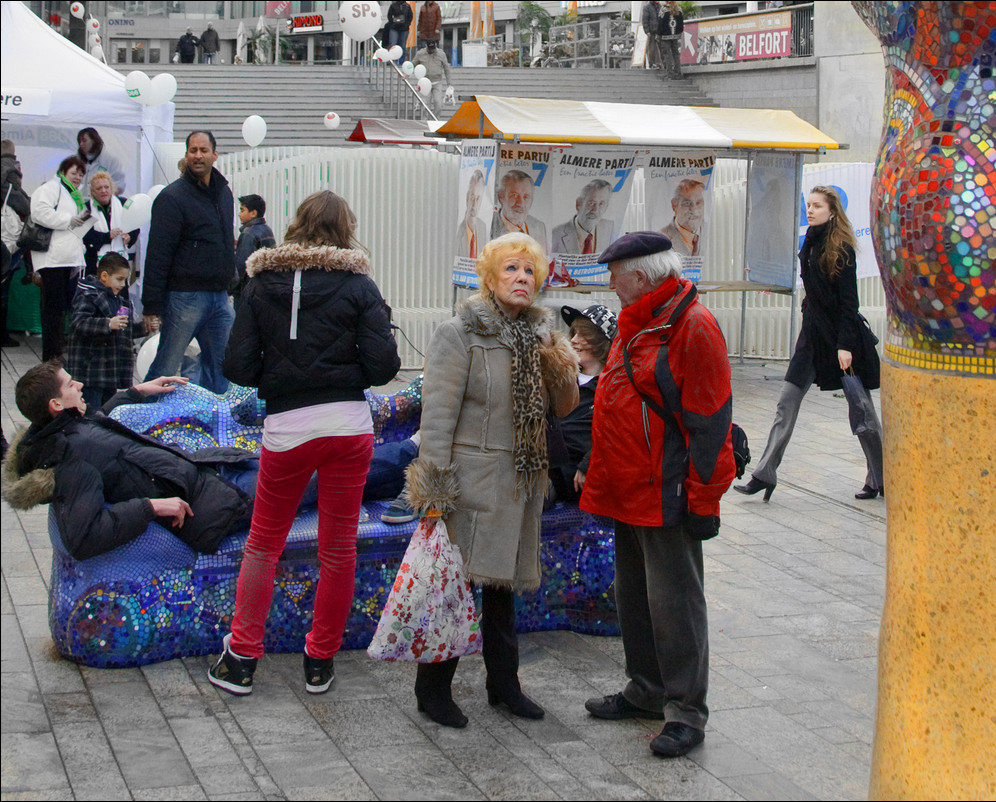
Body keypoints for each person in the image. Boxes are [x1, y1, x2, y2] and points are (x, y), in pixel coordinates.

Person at [210, 190, 401, 697]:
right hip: (347, 424)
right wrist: (342, 371)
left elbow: (236, 367)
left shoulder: (257, 283)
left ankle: (242, 659)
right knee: (338, 549)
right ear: (346, 229)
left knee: (264, 543)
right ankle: (319, 661)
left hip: (287, 426)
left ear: (296, 224)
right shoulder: (359, 284)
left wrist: (282, 372)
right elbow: (385, 368)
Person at [402, 232, 578, 728]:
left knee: (502, 595)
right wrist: (433, 493)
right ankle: (432, 690)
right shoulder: (460, 333)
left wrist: (559, 360)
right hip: (471, 484)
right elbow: (437, 418)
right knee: (453, 591)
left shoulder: (540, 335)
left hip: (520, 483)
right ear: (489, 276)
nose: (522, 279)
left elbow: (563, 409)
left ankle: (504, 686)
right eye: (511, 270)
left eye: (529, 272)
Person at [578, 231, 735, 759]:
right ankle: (645, 689)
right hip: (626, 488)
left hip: (667, 493)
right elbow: (617, 398)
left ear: (640, 277)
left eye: (614, 274)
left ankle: (686, 711)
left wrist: (704, 498)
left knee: (675, 604)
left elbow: (710, 421)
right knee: (635, 598)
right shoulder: (639, 319)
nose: (609, 282)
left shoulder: (691, 325)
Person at [3, 362, 249, 561]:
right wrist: (150, 507)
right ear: (55, 404)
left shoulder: (63, 428)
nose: (79, 385)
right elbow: (84, 537)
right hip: (211, 509)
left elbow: (96, 423)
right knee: (281, 485)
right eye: (70, 384)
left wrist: (137, 391)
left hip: (208, 479)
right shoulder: (72, 457)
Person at [735, 185, 883, 502]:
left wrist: (845, 346)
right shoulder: (810, 245)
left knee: (861, 410)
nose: (811, 210)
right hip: (812, 338)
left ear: (832, 211)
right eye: (809, 205)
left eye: (817, 206)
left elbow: (849, 305)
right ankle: (765, 473)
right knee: (786, 402)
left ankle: (880, 476)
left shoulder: (841, 249)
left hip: (842, 340)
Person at [142, 131, 236, 394]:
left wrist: (232, 279)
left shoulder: (224, 194)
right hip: (185, 298)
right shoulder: (172, 197)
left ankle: (218, 423)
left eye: (203, 150)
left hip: (219, 296)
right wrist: (151, 304)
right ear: (186, 155)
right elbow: (158, 253)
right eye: (192, 150)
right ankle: (140, 420)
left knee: (225, 368)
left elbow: (227, 240)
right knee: (166, 367)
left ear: (215, 155)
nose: (198, 155)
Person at [546, 303, 617, 504]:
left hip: (567, 478)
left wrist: (588, 463)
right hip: (539, 466)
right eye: (574, 333)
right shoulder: (560, 380)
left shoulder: (614, 387)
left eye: (583, 335)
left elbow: (617, 434)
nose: (574, 341)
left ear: (601, 342)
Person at [29, 155, 95, 362]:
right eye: (74, 173)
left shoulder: (74, 194)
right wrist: (68, 220)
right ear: (63, 172)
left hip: (69, 258)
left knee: (65, 307)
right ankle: (51, 355)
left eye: (81, 174)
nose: (77, 178)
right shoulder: (51, 188)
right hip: (53, 258)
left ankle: (59, 351)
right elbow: (39, 212)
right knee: (53, 308)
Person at [66, 252, 135, 410]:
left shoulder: (119, 300)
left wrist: (142, 328)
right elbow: (78, 323)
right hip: (90, 371)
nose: (123, 284)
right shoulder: (88, 295)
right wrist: (108, 324)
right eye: (119, 279)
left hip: (110, 371)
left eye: (125, 280)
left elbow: (123, 330)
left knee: (108, 411)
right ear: (104, 276)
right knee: (91, 411)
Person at [1, 139, 31, 348]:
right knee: (3, 287)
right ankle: (2, 334)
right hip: (5, 239)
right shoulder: (10, 171)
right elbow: (20, 201)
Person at [82, 171, 138, 275]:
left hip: (120, 263)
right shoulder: (85, 208)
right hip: (95, 266)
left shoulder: (123, 204)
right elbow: (85, 236)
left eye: (106, 187)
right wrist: (107, 236)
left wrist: (129, 237)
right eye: (98, 188)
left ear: (111, 188)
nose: (103, 191)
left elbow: (135, 226)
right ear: (92, 192)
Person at [231, 194, 276, 303]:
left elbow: (242, 265)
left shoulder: (248, 233)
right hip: (264, 287)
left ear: (253, 213)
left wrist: (233, 289)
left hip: (247, 291)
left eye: (242, 210)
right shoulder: (267, 230)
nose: (239, 214)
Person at [490, 170, 548, 254]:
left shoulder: (539, 227)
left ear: (532, 201)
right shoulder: (489, 226)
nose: (520, 203)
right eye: (514, 195)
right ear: (501, 197)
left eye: (526, 197)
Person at [551, 180, 614, 256]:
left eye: (601, 204)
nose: (595, 210)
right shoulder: (556, 234)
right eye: (591, 203)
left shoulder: (610, 228)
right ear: (578, 204)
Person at [660, 178, 705, 257]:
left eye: (698, 203)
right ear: (674, 205)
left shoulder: (712, 231)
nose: (694, 210)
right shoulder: (662, 238)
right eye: (687, 203)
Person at [76, 128, 126, 198]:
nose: (81, 144)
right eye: (79, 141)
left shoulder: (111, 160)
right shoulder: (76, 160)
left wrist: (104, 196)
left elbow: (119, 184)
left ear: (94, 140)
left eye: (84, 140)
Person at [453, 169, 488, 261]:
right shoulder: (458, 231)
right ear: (467, 198)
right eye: (472, 197)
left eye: (478, 198)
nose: (474, 203)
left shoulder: (483, 228)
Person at [412, 39, 452, 117]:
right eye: (429, 49)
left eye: (433, 49)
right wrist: (406, 75)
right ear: (426, 46)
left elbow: (446, 68)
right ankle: (425, 121)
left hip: (437, 82)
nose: (431, 51)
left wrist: (449, 82)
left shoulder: (441, 54)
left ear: (435, 46)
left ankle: (435, 119)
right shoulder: (420, 53)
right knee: (425, 104)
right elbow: (412, 65)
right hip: (424, 82)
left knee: (438, 103)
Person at [658, 1, 685, 78]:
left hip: (665, 36)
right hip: (675, 36)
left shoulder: (663, 10)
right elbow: (681, 23)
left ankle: (670, 73)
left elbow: (660, 23)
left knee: (667, 54)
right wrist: (678, 33)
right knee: (676, 54)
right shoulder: (679, 9)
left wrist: (659, 34)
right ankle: (678, 72)